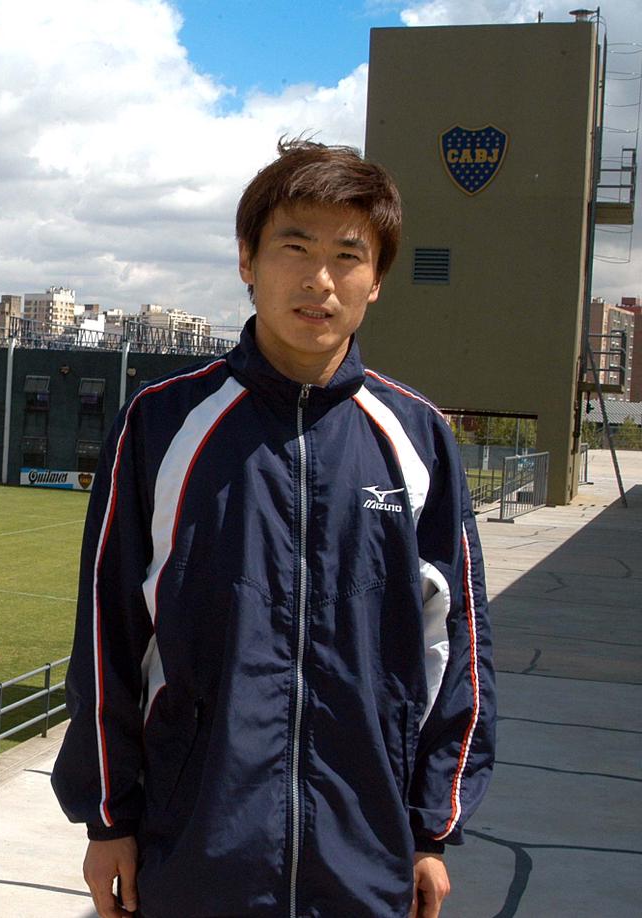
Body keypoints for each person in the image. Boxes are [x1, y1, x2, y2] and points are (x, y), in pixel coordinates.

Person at [52, 139, 496, 918]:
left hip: (367, 854)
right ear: (247, 261)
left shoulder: (416, 437)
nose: (320, 279)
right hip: (194, 849)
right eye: (295, 246)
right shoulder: (162, 425)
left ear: (377, 279)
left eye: (348, 255)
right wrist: (108, 818)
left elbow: (458, 646)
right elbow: (108, 634)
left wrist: (432, 830)